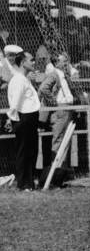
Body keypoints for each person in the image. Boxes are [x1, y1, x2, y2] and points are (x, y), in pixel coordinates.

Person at [7, 51, 41, 191]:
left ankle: (29, 182)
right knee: (24, 151)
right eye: (31, 60)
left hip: (30, 118)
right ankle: (24, 184)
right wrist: (11, 118)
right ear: (22, 62)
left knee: (31, 150)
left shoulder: (24, 78)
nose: (33, 62)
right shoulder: (19, 80)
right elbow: (15, 101)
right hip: (24, 118)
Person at [38, 53, 76, 171]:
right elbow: (43, 88)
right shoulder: (54, 75)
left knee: (65, 138)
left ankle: (62, 170)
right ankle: (56, 171)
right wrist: (53, 102)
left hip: (67, 108)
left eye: (66, 61)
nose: (66, 64)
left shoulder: (63, 75)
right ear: (56, 63)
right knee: (59, 139)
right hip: (61, 109)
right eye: (63, 62)